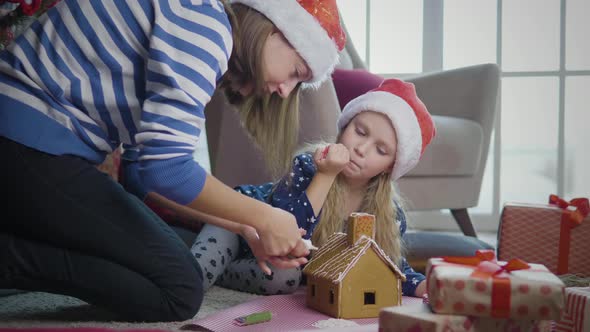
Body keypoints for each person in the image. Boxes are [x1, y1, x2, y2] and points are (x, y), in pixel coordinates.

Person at [0, 0, 346, 322]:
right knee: (179, 289)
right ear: (274, 28)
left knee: (170, 260)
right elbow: (165, 169)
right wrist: (266, 217)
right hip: (24, 144)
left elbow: (139, 173)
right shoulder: (204, 27)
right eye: (296, 72)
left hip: (26, 145)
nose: (285, 90)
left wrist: (242, 226)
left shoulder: (193, 18)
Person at [191, 78, 436, 297]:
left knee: (286, 278)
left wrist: (424, 287)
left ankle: (224, 268)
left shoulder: (389, 214)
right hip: (239, 225)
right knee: (192, 280)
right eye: (360, 132)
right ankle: (209, 256)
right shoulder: (309, 166)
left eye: (380, 150)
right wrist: (326, 174)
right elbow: (288, 231)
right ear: (343, 128)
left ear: (389, 168)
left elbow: (389, 264)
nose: (361, 149)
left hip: (274, 261)